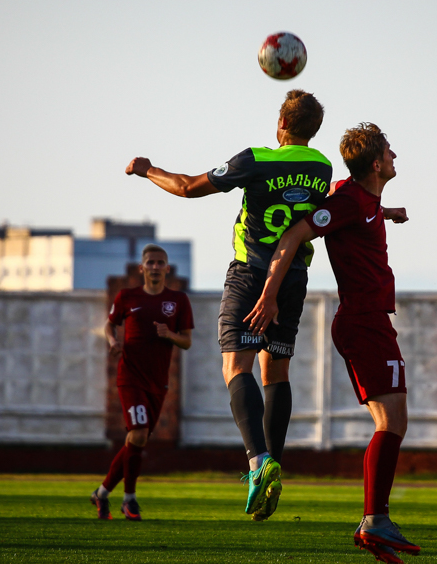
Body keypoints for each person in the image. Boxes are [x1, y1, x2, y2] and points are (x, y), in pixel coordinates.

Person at [125, 90, 331, 520]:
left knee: (236, 367)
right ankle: (273, 467)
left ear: (281, 123)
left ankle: (259, 463)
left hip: (251, 274)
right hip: (294, 276)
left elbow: (187, 188)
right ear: (314, 130)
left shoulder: (256, 159)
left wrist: (147, 170)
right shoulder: (322, 167)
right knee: (276, 372)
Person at [246, 123, 416, 564]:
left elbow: (351, 204)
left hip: (372, 320)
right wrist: (268, 295)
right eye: (389, 150)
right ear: (376, 163)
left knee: (394, 420)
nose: (395, 155)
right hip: (362, 321)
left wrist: (387, 212)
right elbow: (296, 234)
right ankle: (375, 521)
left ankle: (376, 523)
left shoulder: (358, 198)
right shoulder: (349, 200)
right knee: (392, 420)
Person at [91, 244, 194, 521]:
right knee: (137, 434)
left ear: (167, 268)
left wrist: (169, 334)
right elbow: (110, 324)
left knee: (137, 440)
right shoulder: (127, 296)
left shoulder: (178, 300)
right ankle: (129, 499)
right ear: (142, 268)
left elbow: (186, 341)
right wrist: (112, 341)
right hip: (130, 377)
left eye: (160, 263)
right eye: (150, 262)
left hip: (158, 382)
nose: (155, 267)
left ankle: (102, 493)